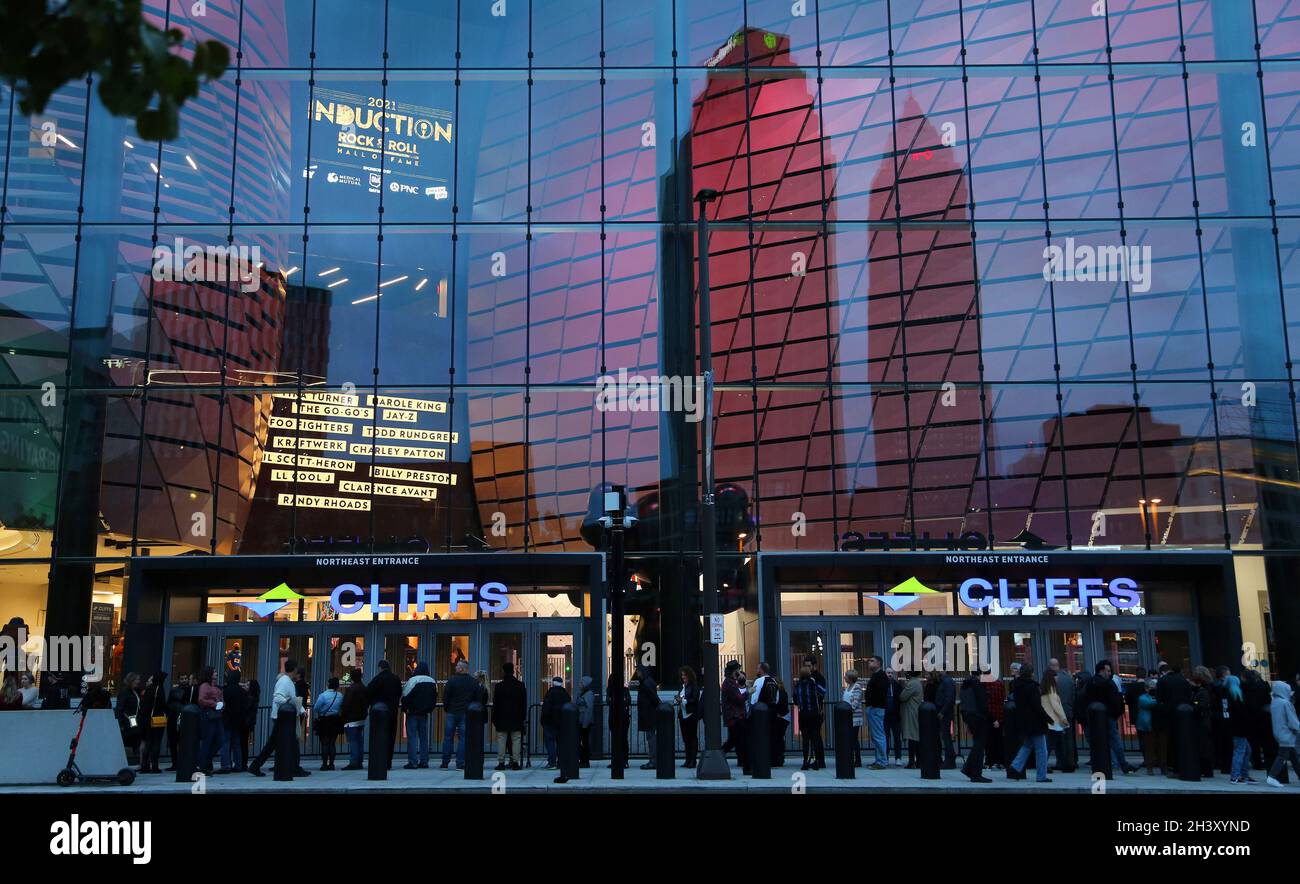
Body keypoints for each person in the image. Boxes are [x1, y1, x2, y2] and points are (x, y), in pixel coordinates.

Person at [249, 660, 308, 777]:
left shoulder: (286, 681)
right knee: (291, 743)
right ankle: (295, 768)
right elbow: (278, 697)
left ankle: (256, 766)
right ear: (295, 670)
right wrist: (292, 706)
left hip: (282, 717)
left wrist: (301, 709)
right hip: (282, 717)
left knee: (275, 743)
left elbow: (292, 698)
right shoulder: (285, 682)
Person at [1082, 659, 1137, 774]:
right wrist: (1116, 713)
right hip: (1109, 716)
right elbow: (1115, 701)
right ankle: (1122, 764)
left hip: (1096, 718)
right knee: (1114, 740)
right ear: (1101, 671)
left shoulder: (1091, 683)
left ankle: (1104, 764)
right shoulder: (1108, 684)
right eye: (1107, 671)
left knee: (1099, 741)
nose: (1109, 673)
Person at [1008, 663, 1052, 783]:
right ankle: (1041, 775)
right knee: (1042, 750)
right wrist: (1047, 718)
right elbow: (1037, 706)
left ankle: (1015, 766)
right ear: (1031, 673)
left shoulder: (1016, 685)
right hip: (1035, 722)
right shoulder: (1032, 687)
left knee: (1027, 745)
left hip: (1023, 721)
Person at [1156, 663, 1193, 776]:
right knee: (1182, 739)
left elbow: (1159, 698)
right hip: (1183, 715)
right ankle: (1183, 764)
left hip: (1168, 714)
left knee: (1170, 741)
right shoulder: (1184, 681)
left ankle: (1172, 766)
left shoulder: (1163, 681)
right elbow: (1189, 696)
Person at [439, 660, 476, 770]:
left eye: (457, 666)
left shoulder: (452, 680)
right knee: (463, 738)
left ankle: (445, 762)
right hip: (465, 712)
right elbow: (476, 696)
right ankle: (460, 763)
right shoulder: (472, 681)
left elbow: (446, 696)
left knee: (448, 737)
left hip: (452, 712)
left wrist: (447, 708)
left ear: (461, 668)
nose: (455, 668)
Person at [399, 662, 437, 770]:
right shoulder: (432, 681)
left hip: (412, 713)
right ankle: (424, 761)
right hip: (424, 713)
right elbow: (435, 697)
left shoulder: (413, 680)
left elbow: (405, 695)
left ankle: (413, 761)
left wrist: (405, 708)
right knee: (424, 737)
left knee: (412, 737)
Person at [367, 660, 402, 770]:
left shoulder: (378, 679)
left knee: (379, 737)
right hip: (392, 711)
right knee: (391, 736)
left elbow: (369, 691)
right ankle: (388, 761)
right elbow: (399, 692)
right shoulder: (396, 679)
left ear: (380, 668)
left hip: (379, 713)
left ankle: (379, 760)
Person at [493, 661, 528, 771]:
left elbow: (496, 703)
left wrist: (495, 718)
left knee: (501, 739)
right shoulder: (520, 686)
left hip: (502, 717)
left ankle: (501, 762)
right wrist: (523, 717)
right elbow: (523, 703)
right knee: (516, 739)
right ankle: (515, 762)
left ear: (503, 671)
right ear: (513, 670)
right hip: (516, 717)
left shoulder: (499, 686)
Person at [959, 672, 992, 782]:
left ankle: (969, 769)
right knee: (979, 746)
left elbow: (963, 704)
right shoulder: (978, 685)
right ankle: (975, 773)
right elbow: (983, 705)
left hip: (970, 717)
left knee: (977, 745)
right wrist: (993, 719)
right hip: (979, 718)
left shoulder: (965, 685)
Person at [1266, 681, 1300, 788]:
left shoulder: (1275, 702)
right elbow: (1292, 720)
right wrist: (1297, 728)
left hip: (1279, 732)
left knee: (1293, 757)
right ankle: (1272, 776)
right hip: (1287, 733)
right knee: (1282, 757)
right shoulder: (1285, 703)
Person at [794, 659, 826, 771]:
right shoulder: (813, 683)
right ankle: (817, 761)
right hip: (814, 713)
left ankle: (805, 761)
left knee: (805, 739)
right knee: (816, 737)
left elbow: (795, 700)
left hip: (803, 714)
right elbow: (823, 691)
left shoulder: (798, 685)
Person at [1222, 673, 1254, 784]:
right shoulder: (1237, 695)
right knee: (1241, 751)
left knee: (1245, 750)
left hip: (1235, 727)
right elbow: (1243, 712)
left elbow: (1226, 712)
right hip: (1240, 727)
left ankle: (1242, 775)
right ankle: (1236, 775)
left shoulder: (1227, 695)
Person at [193, 667, 226, 774]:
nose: (216, 673)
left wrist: (222, 705)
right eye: (214, 672)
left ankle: (205, 761)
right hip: (209, 715)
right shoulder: (204, 686)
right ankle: (202, 765)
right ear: (210, 674)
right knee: (208, 740)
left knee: (220, 740)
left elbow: (220, 699)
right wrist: (215, 704)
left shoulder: (215, 686)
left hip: (217, 715)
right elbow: (201, 700)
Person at [1191, 665, 1219, 777]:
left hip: (1204, 719)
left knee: (1204, 745)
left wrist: (1194, 703)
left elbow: (1201, 703)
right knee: (1206, 744)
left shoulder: (1204, 689)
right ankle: (1207, 768)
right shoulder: (1210, 687)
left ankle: (1206, 769)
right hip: (1207, 718)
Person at [721, 661, 748, 772]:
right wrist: (748, 692)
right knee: (739, 739)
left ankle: (740, 760)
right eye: (738, 669)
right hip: (735, 716)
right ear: (735, 670)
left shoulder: (730, 682)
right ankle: (721, 754)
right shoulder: (730, 683)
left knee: (734, 739)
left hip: (734, 716)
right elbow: (739, 698)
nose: (739, 672)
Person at [312, 676, 344, 771]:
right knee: (332, 742)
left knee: (325, 743)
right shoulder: (340, 695)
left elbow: (316, 708)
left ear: (328, 685)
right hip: (335, 720)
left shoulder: (323, 695)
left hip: (324, 720)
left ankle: (324, 764)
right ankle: (332, 764)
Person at [138, 672, 167, 773]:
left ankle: (144, 765)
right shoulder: (159, 689)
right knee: (156, 742)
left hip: (147, 719)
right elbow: (163, 704)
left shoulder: (149, 689)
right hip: (157, 720)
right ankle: (154, 766)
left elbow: (143, 705)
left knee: (148, 742)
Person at [220, 669, 248, 774]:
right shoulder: (242, 692)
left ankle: (226, 765)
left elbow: (223, 704)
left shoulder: (226, 690)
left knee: (226, 743)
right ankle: (238, 765)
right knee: (236, 743)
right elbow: (245, 706)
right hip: (238, 720)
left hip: (227, 719)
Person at [340, 668, 368, 770]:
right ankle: (359, 761)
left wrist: (343, 716)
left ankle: (354, 762)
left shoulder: (351, 689)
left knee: (353, 741)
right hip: (361, 717)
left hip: (351, 719)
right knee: (359, 740)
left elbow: (346, 704)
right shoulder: (363, 688)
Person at [863, 656, 889, 770]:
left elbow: (881, 693)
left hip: (876, 709)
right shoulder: (877, 676)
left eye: (872, 661)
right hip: (874, 708)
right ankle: (879, 760)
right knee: (876, 735)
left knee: (878, 735)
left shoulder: (881, 676)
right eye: (869, 660)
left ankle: (882, 761)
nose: (869, 662)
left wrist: (873, 705)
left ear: (879, 663)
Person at [540, 675, 570, 769]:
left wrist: (543, 720)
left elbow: (546, 709)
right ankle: (561, 762)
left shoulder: (550, 693)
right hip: (562, 722)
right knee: (561, 742)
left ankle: (552, 762)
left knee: (550, 742)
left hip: (550, 721)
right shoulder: (565, 694)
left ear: (553, 683)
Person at [1040, 670, 1068, 770]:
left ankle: (1059, 764)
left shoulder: (1044, 689)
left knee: (1052, 744)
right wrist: (1063, 718)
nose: (1057, 678)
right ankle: (1057, 764)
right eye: (1055, 676)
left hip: (1049, 721)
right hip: (1053, 721)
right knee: (1052, 744)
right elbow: (1056, 706)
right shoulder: (1052, 690)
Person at [1136, 679, 1165, 775]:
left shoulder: (1154, 697)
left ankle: (1163, 767)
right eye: (1151, 688)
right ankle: (1150, 767)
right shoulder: (1142, 698)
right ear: (1146, 688)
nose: (1153, 690)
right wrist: (1158, 700)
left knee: (1161, 747)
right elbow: (1148, 704)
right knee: (1149, 748)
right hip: (1148, 726)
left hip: (1158, 725)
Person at [164, 674, 191, 771]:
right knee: (175, 742)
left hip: (178, 718)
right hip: (175, 719)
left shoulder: (186, 691)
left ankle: (177, 763)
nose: (184, 680)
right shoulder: (178, 691)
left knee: (178, 742)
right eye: (182, 679)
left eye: (185, 678)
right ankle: (176, 762)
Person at [674, 666, 700, 769]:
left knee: (692, 738)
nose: (683, 677)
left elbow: (695, 699)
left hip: (691, 714)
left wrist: (683, 701)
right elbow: (680, 697)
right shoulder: (682, 687)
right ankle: (688, 759)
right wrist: (677, 700)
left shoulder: (694, 686)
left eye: (685, 675)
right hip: (683, 715)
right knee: (686, 738)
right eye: (682, 675)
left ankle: (692, 760)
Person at [607, 672, 631, 772]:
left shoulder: (624, 690)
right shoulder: (609, 690)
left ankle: (624, 760)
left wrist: (617, 701)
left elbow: (628, 700)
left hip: (622, 717)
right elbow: (609, 701)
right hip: (615, 716)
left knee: (623, 739)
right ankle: (617, 759)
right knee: (617, 739)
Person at [635, 666, 658, 770]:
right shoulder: (648, 682)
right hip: (649, 713)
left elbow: (654, 698)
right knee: (651, 737)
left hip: (649, 714)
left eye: (638, 671)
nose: (637, 674)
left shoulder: (646, 683)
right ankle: (653, 759)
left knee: (651, 737)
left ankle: (653, 760)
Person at [899, 672, 922, 768]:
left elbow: (902, 697)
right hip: (913, 711)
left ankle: (912, 761)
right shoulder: (917, 682)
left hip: (911, 712)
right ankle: (917, 761)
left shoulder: (912, 683)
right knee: (915, 738)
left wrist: (903, 687)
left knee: (912, 737)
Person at [936, 670, 957, 769]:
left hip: (945, 713)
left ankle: (950, 761)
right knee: (945, 737)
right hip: (945, 712)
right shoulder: (944, 681)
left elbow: (949, 699)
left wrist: (942, 712)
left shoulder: (947, 682)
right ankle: (949, 760)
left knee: (946, 737)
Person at [842, 668, 864, 768]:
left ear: (850, 678)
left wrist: (848, 710)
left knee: (854, 739)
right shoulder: (847, 688)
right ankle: (850, 758)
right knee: (849, 738)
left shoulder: (857, 687)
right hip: (847, 717)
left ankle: (858, 760)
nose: (844, 677)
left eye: (846, 675)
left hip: (854, 717)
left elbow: (855, 702)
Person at [770, 674, 791, 767]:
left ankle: (778, 757)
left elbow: (781, 705)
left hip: (782, 717)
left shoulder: (780, 692)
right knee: (778, 737)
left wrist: (778, 714)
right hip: (783, 717)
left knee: (777, 737)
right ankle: (779, 756)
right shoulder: (783, 692)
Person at [576, 675, 595, 768]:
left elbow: (589, 709)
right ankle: (583, 759)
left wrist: (585, 724)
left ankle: (585, 760)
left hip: (584, 722)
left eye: (581, 683)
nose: (579, 684)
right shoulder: (583, 693)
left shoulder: (589, 694)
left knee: (584, 742)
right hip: (581, 721)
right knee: (581, 741)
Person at [884, 669, 903, 765]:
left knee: (897, 738)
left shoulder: (897, 685)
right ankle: (885, 757)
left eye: (891, 673)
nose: (890, 674)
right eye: (888, 673)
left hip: (895, 715)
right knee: (885, 737)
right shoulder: (882, 685)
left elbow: (901, 698)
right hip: (885, 715)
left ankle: (898, 757)